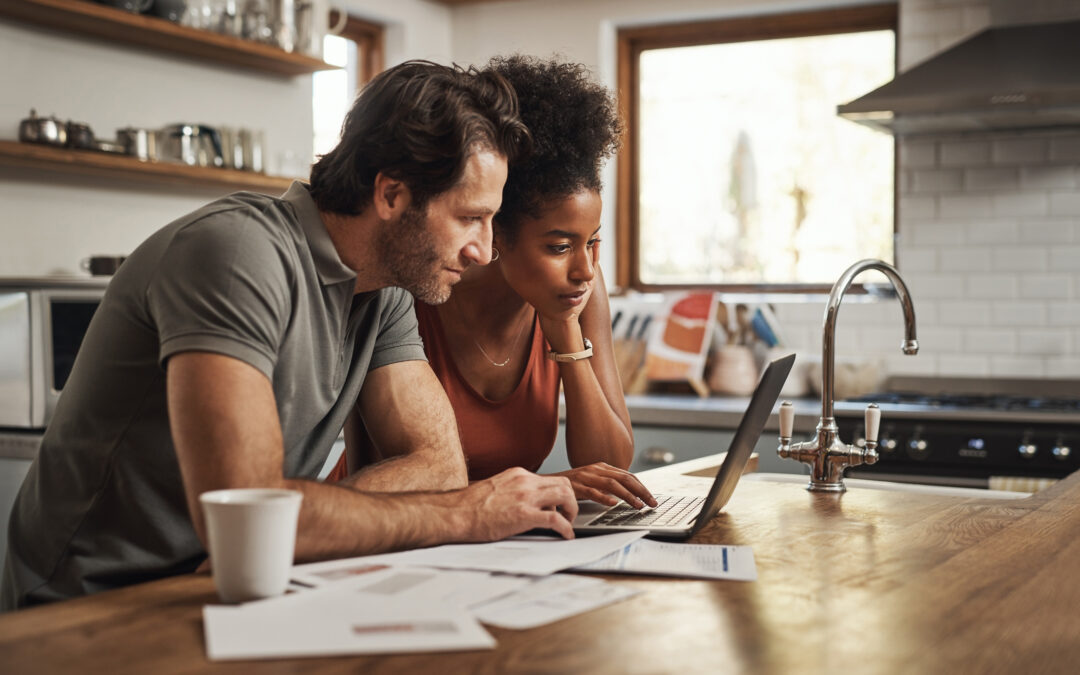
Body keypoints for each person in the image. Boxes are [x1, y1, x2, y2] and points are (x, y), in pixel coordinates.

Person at [1, 60, 579, 611]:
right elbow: (249, 517)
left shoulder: (386, 290)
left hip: (236, 585)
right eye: (469, 217)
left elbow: (437, 466)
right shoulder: (236, 255)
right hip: (91, 606)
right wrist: (463, 514)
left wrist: (290, 528)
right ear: (392, 195)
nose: (481, 251)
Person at [336, 56, 656, 510]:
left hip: (498, 538)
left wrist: (564, 329)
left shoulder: (578, 292)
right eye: (559, 247)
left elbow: (610, 465)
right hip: (381, 529)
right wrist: (544, 486)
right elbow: (388, 473)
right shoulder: (415, 288)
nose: (585, 269)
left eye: (594, 242)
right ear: (496, 231)